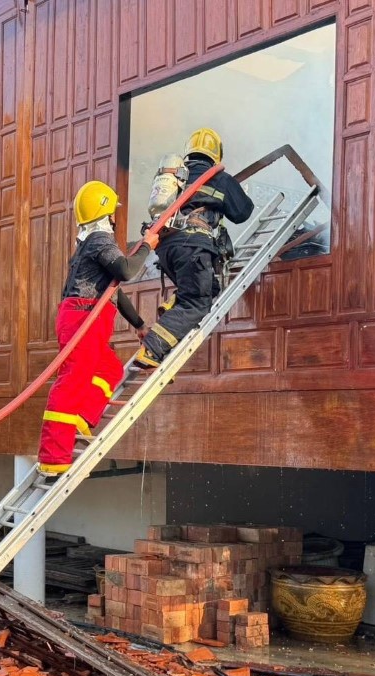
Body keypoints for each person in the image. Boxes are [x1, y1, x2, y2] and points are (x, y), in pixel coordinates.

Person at [37, 180, 157, 477]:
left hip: (86, 317)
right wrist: (147, 246)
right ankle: (53, 459)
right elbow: (126, 271)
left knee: (109, 370)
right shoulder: (100, 239)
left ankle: (80, 417)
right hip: (84, 318)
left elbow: (114, 291)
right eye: (113, 212)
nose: (116, 218)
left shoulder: (89, 243)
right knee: (72, 381)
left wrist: (139, 325)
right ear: (105, 213)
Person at [134, 127, 254, 368]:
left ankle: (174, 306)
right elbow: (243, 212)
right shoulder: (218, 177)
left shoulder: (177, 174)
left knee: (210, 287)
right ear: (216, 153)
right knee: (197, 303)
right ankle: (152, 349)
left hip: (166, 249)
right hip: (192, 247)